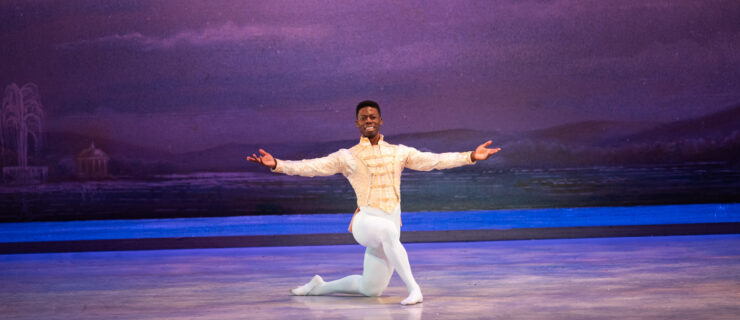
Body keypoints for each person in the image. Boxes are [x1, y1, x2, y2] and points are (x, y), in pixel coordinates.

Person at [246, 100, 500, 305]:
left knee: (371, 289)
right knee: (389, 232)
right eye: (364, 118)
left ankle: (318, 287)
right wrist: (278, 165)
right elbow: (312, 167)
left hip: (390, 223)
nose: (369, 120)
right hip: (365, 222)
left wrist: (470, 156)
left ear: (380, 121)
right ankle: (415, 290)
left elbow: (433, 160)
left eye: (373, 117)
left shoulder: (398, 152)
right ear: (357, 123)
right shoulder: (347, 156)